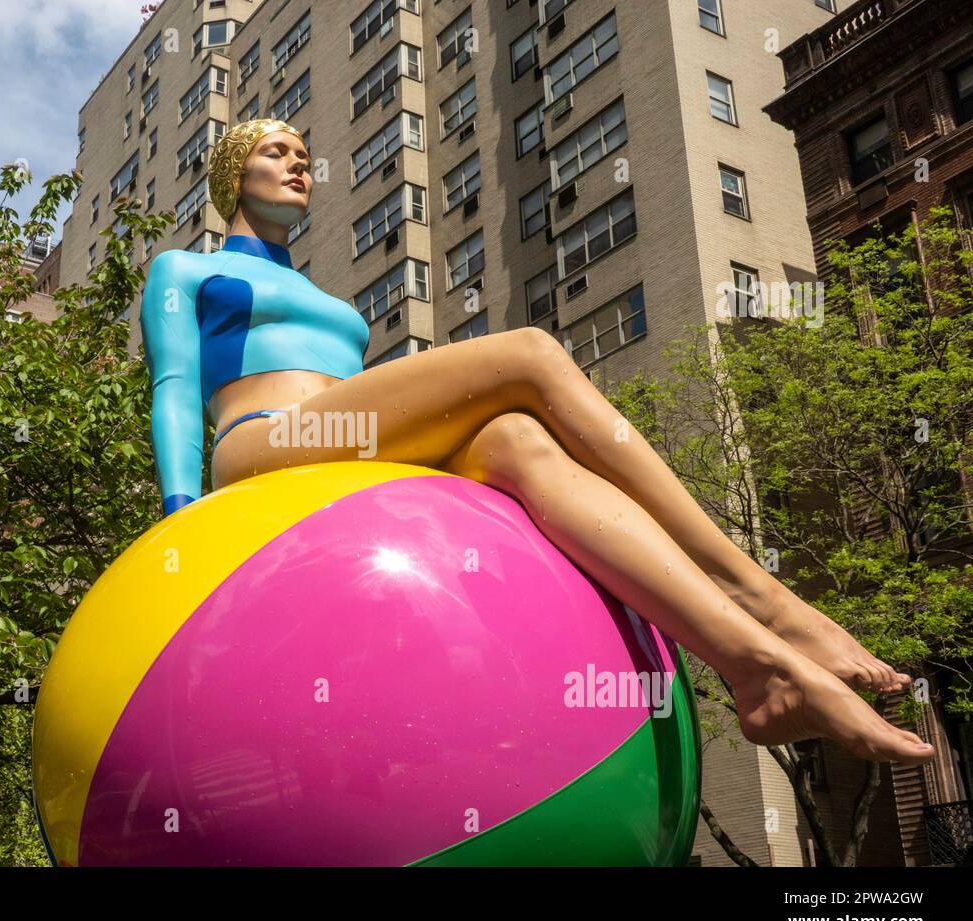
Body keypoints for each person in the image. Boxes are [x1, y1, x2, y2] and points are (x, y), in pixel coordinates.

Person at [139, 117, 935, 767]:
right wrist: (179, 525)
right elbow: (175, 386)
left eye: (307, 156)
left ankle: (752, 669)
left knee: (518, 439)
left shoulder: (323, 298)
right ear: (233, 172)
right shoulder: (184, 269)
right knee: (528, 355)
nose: (299, 165)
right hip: (264, 444)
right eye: (277, 152)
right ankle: (761, 597)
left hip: (349, 458)